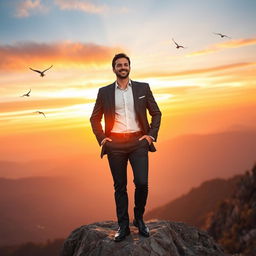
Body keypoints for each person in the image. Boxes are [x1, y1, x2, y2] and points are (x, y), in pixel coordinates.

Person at [90, 53, 161, 242]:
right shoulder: (104, 92)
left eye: (125, 64)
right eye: (119, 65)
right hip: (115, 144)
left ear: (130, 67)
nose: (123, 67)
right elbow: (94, 118)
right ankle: (123, 225)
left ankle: (138, 218)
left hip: (139, 142)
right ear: (113, 69)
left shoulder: (142, 88)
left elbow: (156, 113)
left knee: (142, 183)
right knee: (120, 186)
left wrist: (150, 135)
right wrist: (102, 138)